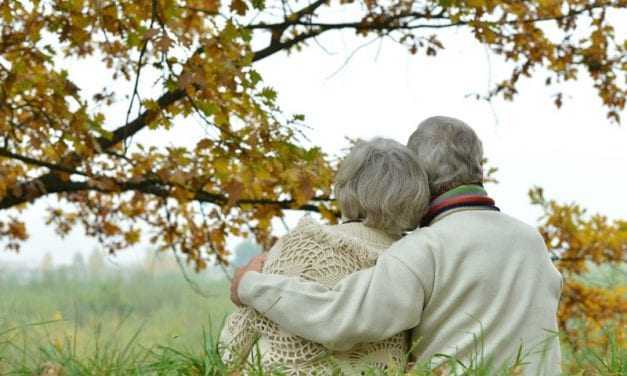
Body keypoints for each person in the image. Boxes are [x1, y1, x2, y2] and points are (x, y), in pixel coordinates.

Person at [231, 116, 563, 375]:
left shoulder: (427, 247)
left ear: (420, 178)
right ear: (478, 165)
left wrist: (251, 285)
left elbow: (342, 318)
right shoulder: (530, 239)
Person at [220, 138, 431, 374]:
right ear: (416, 196)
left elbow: (236, 342)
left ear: (345, 187)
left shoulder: (305, 243)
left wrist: (245, 286)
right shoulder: (416, 261)